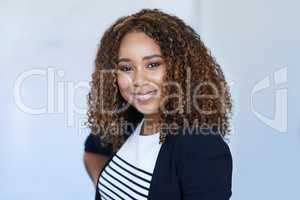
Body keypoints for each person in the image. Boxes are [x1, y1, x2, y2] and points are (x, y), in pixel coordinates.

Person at [83, 8, 233, 200]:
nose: (139, 80)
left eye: (152, 64)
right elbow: (92, 150)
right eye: (126, 68)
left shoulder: (200, 145)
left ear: (181, 67)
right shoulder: (130, 121)